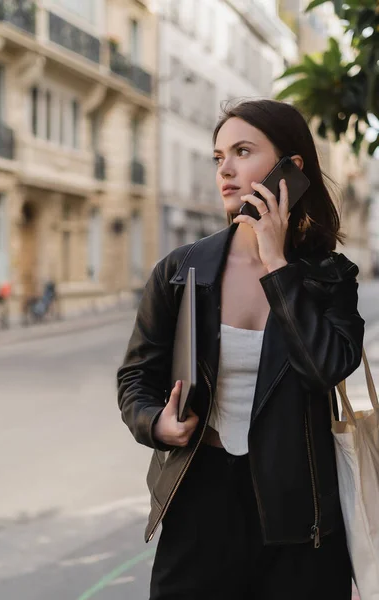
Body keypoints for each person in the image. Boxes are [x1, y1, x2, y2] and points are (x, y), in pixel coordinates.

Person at [117, 99, 365, 600]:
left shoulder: (329, 277)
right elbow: (136, 379)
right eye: (217, 156)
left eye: (243, 151)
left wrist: (276, 263)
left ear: (291, 169)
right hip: (198, 501)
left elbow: (326, 367)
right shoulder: (182, 271)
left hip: (301, 516)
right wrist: (156, 424)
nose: (225, 168)